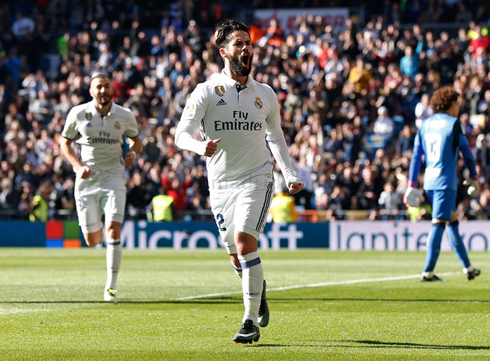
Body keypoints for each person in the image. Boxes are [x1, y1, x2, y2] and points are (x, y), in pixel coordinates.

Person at [175, 19, 304, 344]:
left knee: (246, 242)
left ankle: (248, 321)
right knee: (235, 256)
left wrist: (288, 174)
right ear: (223, 51)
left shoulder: (266, 94)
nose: (246, 48)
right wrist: (199, 146)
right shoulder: (206, 91)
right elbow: (180, 134)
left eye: (249, 43)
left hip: (257, 178)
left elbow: (275, 136)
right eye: (238, 43)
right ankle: (258, 294)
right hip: (220, 185)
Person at [60, 74, 142, 302]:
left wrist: (133, 153)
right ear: (91, 91)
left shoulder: (125, 115)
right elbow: (64, 143)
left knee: (113, 230)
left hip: (114, 177)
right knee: (92, 240)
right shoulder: (78, 113)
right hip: (87, 179)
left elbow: (136, 140)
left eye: (106, 87)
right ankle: (107, 275)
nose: (103, 91)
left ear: (112, 90)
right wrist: (77, 167)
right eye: (99, 87)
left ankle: (111, 288)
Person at [404, 86, 481, 282]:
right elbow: (467, 154)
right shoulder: (454, 124)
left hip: (429, 180)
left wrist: (412, 184)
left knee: (452, 221)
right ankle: (427, 272)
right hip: (445, 183)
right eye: (458, 103)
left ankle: (468, 267)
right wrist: (474, 176)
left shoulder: (425, 124)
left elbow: (416, 157)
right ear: (452, 103)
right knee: (438, 223)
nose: (459, 107)